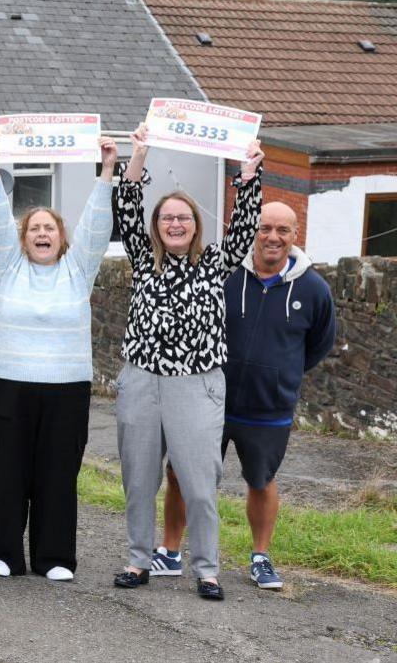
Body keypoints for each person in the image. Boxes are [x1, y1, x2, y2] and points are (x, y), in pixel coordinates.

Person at [111, 124, 263, 601]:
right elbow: (127, 204)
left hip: (197, 384)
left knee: (199, 483)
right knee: (139, 479)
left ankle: (207, 568)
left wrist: (249, 175)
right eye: (166, 219)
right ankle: (139, 560)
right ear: (156, 226)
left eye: (183, 218)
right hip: (141, 380)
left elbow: (245, 229)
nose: (175, 224)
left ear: (196, 224)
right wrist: (138, 154)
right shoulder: (142, 256)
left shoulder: (217, 262)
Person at [153, 201, 337, 591]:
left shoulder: (314, 288)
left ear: (294, 235)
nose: (272, 237)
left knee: (260, 480)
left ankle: (260, 557)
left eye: (282, 230)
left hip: (269, 407)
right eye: (265, 228)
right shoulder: (227, 274)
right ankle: (170, 551)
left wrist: (281, 373)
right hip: (208, 399)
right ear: (253, 231)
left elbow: (320, 343)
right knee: (182, 475)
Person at [0, 130, 117, 580]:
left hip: (66, 390)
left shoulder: (79, 271)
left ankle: (54, 557)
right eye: (34, 228)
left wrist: (107, 171)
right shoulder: (9, 266)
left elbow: (97, 226)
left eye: (49, 228)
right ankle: (4, 554)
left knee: (57, 475)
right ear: (23, 238)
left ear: (62, 238)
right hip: (10, 387)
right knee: (10, 473)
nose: (42, 233)